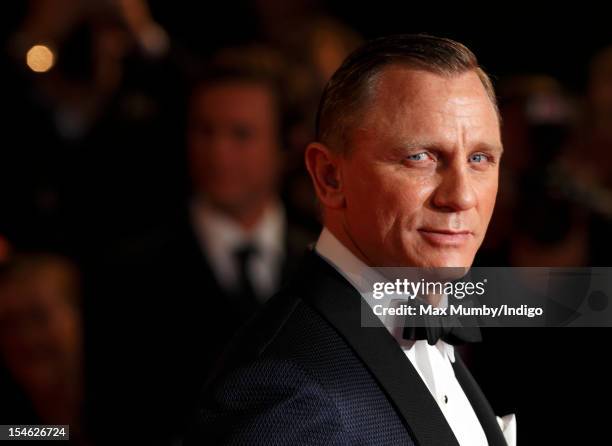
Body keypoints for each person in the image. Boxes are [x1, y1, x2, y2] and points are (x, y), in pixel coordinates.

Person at [184, 34, 514, 446]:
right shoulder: (285, 394)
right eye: (420, 157)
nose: (462, 196)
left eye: (479, 159)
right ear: (329, 176)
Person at [85, 47, 313, 445]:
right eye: (204, 131)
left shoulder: (322, 262)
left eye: (241, 134)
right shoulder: (127, 272)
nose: (218, 152)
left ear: (286, 146)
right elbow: (113, 417)